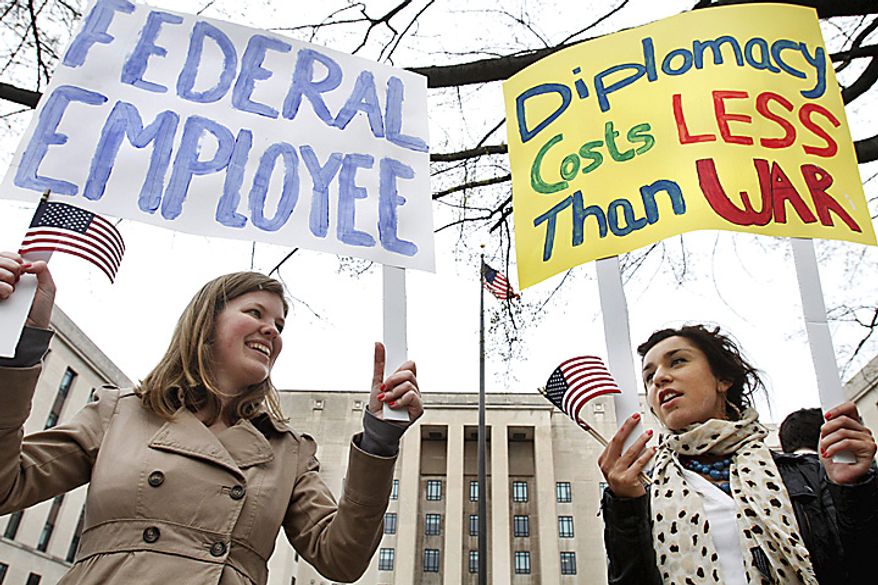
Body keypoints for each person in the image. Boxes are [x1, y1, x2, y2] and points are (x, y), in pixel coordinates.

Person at [0, 251, 423, 584]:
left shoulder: (287, 452)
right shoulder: (121, 412)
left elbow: (341, 559)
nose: (273, 330)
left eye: (279, 323)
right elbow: (7, 486)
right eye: (255, 314)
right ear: (206, 321)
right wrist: (20, 347)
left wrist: (379, 440)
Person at [598, 324, 877, 585]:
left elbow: (862, 566)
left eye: (678, 361)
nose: (659, 378)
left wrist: (854, 490)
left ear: (723, 379)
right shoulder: (642, 494)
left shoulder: (807, 473)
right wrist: (624, 507)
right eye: (649, 377)